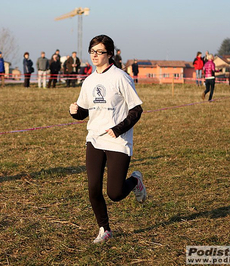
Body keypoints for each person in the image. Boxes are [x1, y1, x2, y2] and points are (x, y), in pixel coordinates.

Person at [69, 34, 146, 244]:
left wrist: (118, 128)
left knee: (115, 193)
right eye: (92, 51)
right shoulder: (89, 81)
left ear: (109, 54)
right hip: (94, 139)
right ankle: (105, 229)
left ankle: (135, 181)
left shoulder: (121, 77)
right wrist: (75, 112)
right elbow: (85, 111)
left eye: (99, 51)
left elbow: (136, 110)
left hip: (117, 141)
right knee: (93, 188)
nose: (94, 55)